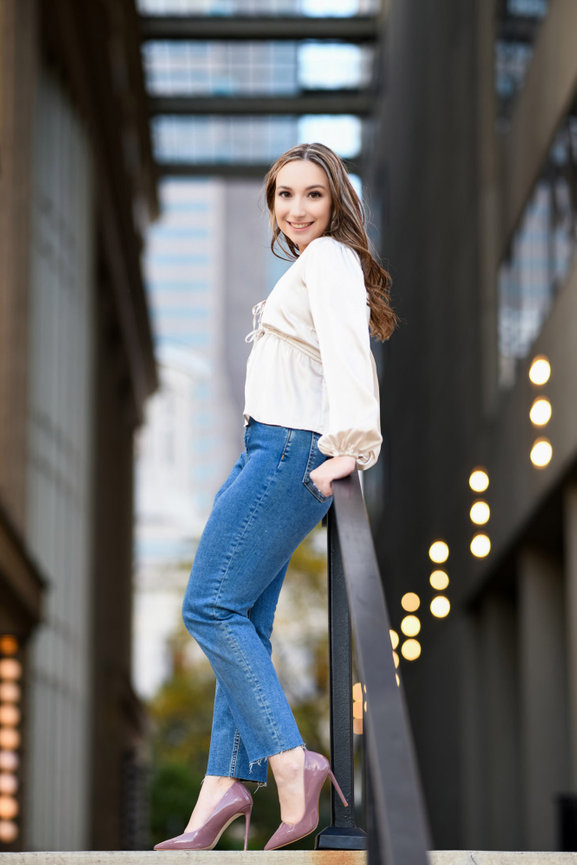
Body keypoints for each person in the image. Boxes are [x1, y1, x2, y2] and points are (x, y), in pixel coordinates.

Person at [153, 142, 396, 853]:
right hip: (267, 447)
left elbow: (353, 351)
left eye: (312, 195)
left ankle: (295, 764)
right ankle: (218, 792)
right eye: (283, 195)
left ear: (336, 202)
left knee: (208, 606)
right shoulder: (309, 266)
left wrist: (352, 445)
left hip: (290, 450)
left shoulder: (328, 260)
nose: (295, 209)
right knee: (244, 626)